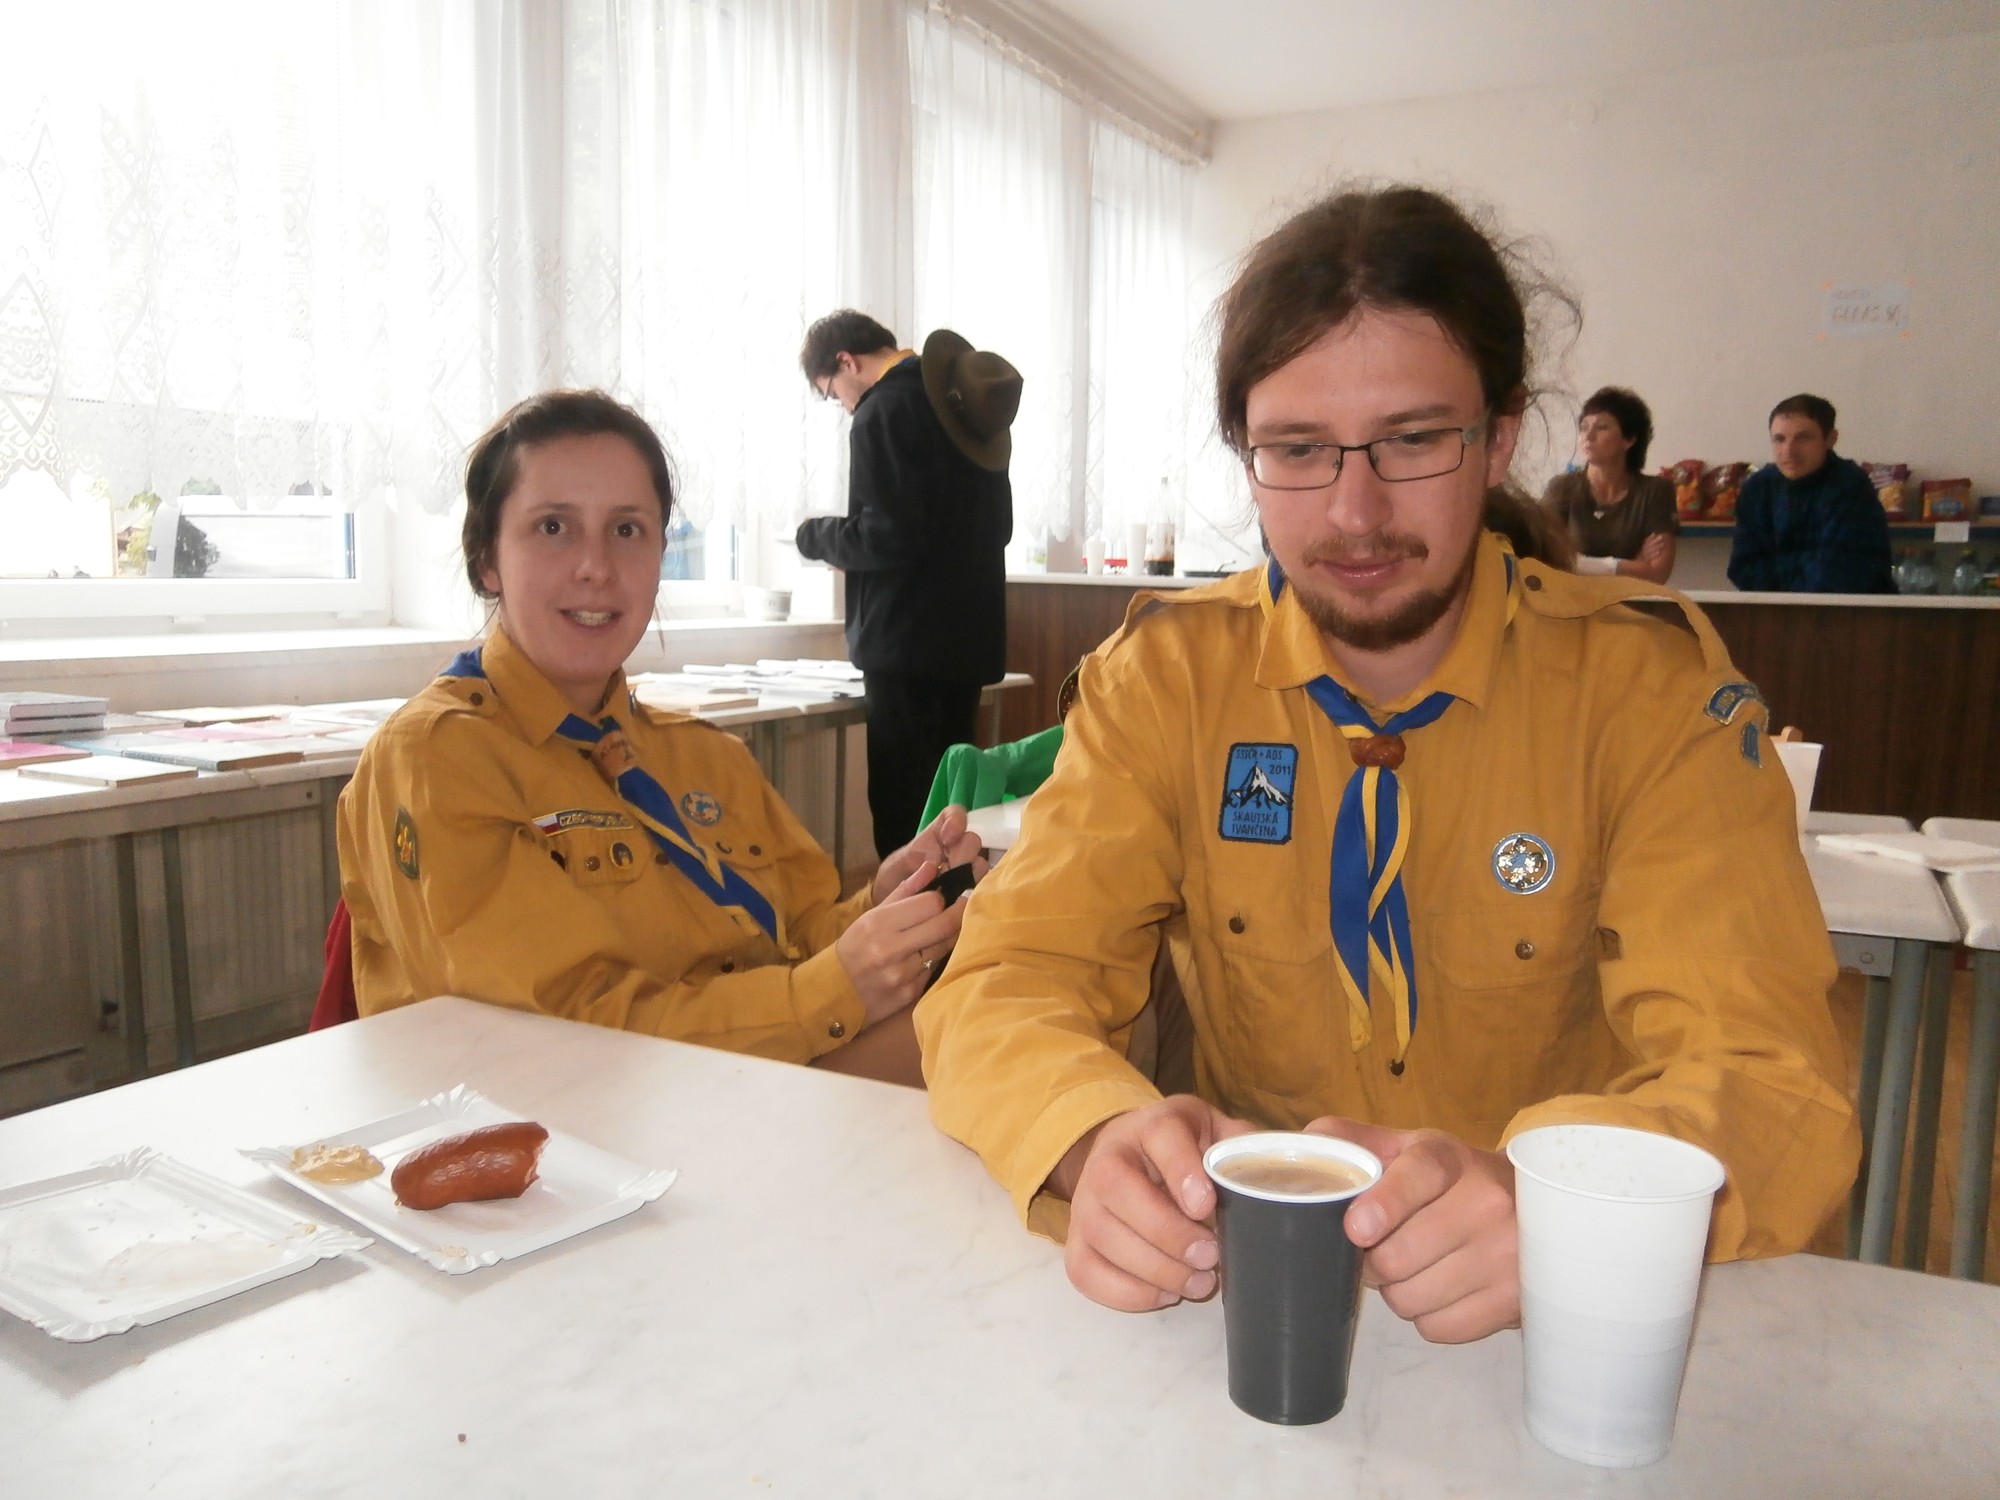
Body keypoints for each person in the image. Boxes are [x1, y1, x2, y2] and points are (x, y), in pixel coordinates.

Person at [914, 185, 1858, 1344]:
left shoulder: (1649, 695)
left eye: (1411, 440)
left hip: (1555, 1324)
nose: (1353, 512)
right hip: (1247, 1312)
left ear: (1497, 439)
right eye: (1296, 450)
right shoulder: (1163, 681)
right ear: (1244, 456)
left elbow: (1771, 1078)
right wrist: (1084, 1135)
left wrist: (1566, 1207)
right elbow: (1006, 978)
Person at [338, 389, 981, 1084]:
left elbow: (796, 939)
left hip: (738, 1082)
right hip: (564, 1117)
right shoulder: (437, 759)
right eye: (553, 527)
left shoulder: (706, 755)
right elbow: (556, 1035)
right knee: (977, 1047)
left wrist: (885, 904)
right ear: (486, 558)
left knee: (1010, 1006)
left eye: (627, 530)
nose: (596, 566)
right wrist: (828, 991)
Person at [796, 312, 1017, 859]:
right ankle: (955, 911)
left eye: (832, 392)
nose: (843, 404)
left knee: (904, 815)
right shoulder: (960, 399)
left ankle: (907, 915)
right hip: (967, 645)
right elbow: (998, 527)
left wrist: (814, 536)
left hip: (906, 647)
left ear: (846, 361)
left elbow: (885, 535)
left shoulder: (884, 409)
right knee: (954, 813)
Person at [1727, 394, 1893, 593]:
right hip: (1772, 608)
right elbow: (1743, 568)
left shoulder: (1851, 486)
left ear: (1830, 439)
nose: (1789, 450)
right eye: (1779, 439)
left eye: (1803, 438)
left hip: (1850, 610)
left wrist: (1779, 586)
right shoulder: (1757, 488)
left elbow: (1840, 573)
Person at [1540, 386, 1677, 582]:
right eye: (1584, 427)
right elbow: (1544, 560)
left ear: (1629, 439)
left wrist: (1579, 563)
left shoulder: (1656, 491)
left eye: (1602, 427)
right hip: (1571, 598)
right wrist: (1631, 563)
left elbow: (1657, 574)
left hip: (1632, 599)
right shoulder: (1561, 488)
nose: (1588, 436)